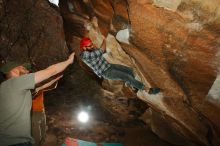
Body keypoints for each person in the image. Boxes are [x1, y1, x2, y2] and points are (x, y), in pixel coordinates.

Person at [0, 52, 75, 146]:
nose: (27, 70)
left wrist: (55, 79)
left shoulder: (8, 87)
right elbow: (50, 70)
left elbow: (42, 86)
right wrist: (68, 61)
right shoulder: (16, 82)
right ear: (14, 70)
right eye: (23, 68)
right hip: (17, 142)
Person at [79, 37, 160, 94]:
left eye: (92, 44)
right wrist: (104, 39)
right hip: (106, 72)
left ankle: (131, 85)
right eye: (90, 45)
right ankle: (147, 90)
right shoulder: (85, 56)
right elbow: (101, 50)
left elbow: (98, 51)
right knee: (126, 77)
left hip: (109, 66)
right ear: (84, 48)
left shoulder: (90, 50)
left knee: (130, 71)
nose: (92, 46)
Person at [31, 78, 59, 146]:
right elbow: (33, 94)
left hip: (42, 111)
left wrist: (56, 78)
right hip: (33, 113)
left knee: (43, 134)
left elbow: (53, 86)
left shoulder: (40, 86)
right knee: (36, 136)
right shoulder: (29, 88)